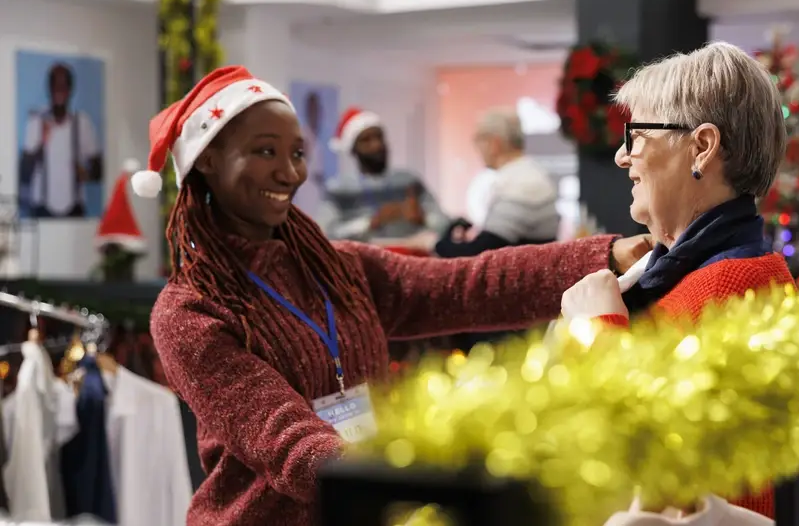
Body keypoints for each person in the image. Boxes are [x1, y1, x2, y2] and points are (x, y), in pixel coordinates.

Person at [127, 66, 648, 526]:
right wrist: (401, 481)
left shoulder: (338, 266)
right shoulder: (189, 311)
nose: (290, 172)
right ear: (209, 162)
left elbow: (470, 284)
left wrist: (606, 256)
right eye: (265, 152)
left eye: (297, 153)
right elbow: (284, 439)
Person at [560, 42, 799, 525]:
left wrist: (595, 332)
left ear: (702, 146)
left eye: (636, 135)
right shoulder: (701, 276)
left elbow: (643, 463)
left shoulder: (734, 287)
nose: (621, 156)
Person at [435, 107, 559, 258]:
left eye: (478, 139)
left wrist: (438, 244)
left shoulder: (521, 183)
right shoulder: (527, 175)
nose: (476, 147)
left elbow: (483, 252)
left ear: (494, 143)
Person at [319, 107, 448, 244]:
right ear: (353, 149)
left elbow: (446, 224)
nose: (376, 145)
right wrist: (370, 223)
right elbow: (324, 234)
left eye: (379, 137)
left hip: (413, 257)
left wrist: (423, 218)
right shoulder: (339, 189)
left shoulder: (408, 181)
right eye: (366, 140)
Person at [18, 63, 102, 217]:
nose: (59, 89)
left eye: (64, 84)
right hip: (41, 210)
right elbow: (23, 173)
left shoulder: (82, 123)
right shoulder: (35, 121)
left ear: (71, 89)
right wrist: (42, 142)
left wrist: (86, 174)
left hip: (75, 210)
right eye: (55, 84)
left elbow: (99, 170)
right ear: (48, 88)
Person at [291, 92, 325, 216]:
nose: (316, 114)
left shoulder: (316, 136)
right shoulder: (305, 136)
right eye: (313, 110)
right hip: (307, 190)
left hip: (316, 190)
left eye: (317, 110)